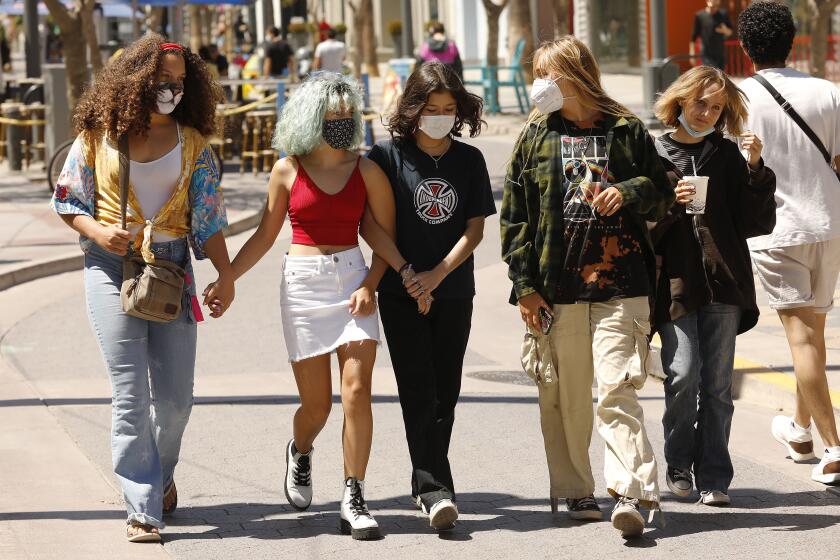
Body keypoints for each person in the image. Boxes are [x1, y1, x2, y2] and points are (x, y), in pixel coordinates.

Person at [210, 73, 425, 541]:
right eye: (332, 116)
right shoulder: (287, 169)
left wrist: (372, 283)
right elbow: (266, 235)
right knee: (317, 406)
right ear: (311, 117)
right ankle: (301, 450)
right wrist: (228, 278)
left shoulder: (367, 170)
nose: (341, 123)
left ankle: (354, 495)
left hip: (352, 281)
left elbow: (382, 237)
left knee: (357, 392)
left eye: (347, 116)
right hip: (303, 287)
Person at [49, 34, 232, 543]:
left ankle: (160, 473)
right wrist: (97, 231)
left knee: (176, 401)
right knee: (131, 393)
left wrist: (227, 275)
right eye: (160, 79)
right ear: (134, 80)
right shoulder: (97, 136)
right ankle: (142, 506)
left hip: (172, 270)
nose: (170, 89)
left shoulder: (192, 143)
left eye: (178, 81)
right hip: (110, 267)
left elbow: (209, 219)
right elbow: (67, 200)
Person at [500, 36, 674, 539]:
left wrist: (627, 190)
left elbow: (661, 193)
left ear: (573, 75)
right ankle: (577, 488)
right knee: (567, 396)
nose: (538, 84)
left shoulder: (626, 130)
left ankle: (632, 494)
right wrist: (525, 286)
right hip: (556, 289)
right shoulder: (535, 136)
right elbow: (514, 220)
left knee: (616, 390)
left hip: (622, 284)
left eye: (545, 74)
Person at [367, 61, 494, 531]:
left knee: (447, 392)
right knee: (417, 389)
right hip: (399, 290)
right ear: (413, 108)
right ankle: (434, 488)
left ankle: (430, 479)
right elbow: (371, 225)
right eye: (431, 107)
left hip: (454, 288)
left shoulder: (469, 160)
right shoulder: (385, 157)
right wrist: (407, 274)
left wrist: (437, 275)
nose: (440, 116)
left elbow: (475, 229)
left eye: (448, 108)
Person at [651, 66, 776, 507]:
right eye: (701, 102)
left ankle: (715, 475)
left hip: (724, 283)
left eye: (717, 107)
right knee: (683, 374)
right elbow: (636, 228)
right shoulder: (654, 154)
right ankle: (678, 463)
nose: (707, 113)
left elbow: (756, 222)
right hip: (676, 286)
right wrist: (670, 204)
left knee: (718, 386)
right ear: (681, 100)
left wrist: (756, 170)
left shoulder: (725, 157)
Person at [737, 1, 840, 485]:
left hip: (775, 231)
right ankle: (800, 431)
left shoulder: (737, 98)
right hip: (829, 225)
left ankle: (834, 448)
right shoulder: (828, 91)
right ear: (793, 41)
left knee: (801, 340)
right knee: (813, 338)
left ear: (743, 46)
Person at [690, 0, 734, 70]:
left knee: (719, 76)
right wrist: (692, 54)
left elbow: (730, 32)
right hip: (706, 54)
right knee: (710, 75)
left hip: (720, 53)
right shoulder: (700, 15)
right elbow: (693, 37)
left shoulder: (723, 14)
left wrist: (724, 30)